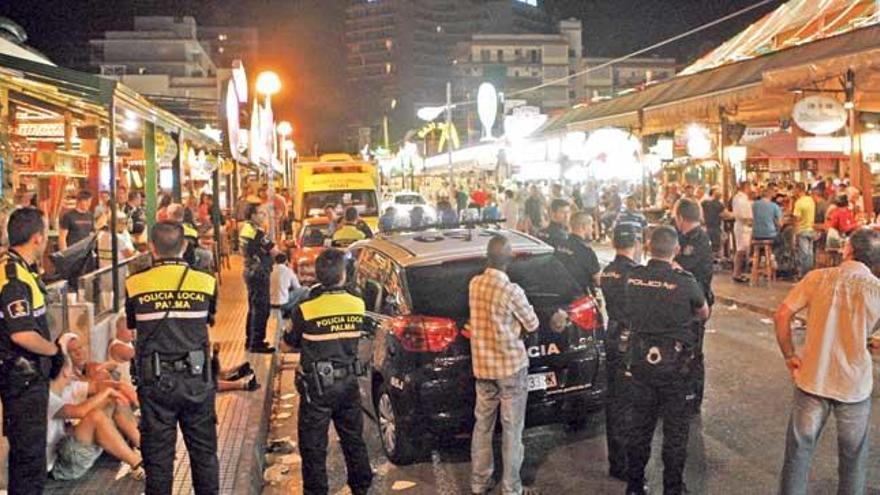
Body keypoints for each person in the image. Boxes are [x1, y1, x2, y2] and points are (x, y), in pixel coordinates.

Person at [774, 229, 880, 494]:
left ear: (847, 250)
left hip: (813, 378)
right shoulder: (877, 291)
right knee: (853, 459)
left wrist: (790, 355)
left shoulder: (817, 278)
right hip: (854, 386)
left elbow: (782, 315)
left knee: (798, 454)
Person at [125, 221, 220, 494]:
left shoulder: (135, 284)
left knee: (158, 461)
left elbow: (133, 325)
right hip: (197, 381)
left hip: (154, 383)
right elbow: (209, 319)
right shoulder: (206, 282)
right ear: (185, 246)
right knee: (204, 456)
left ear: (151, 247)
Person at [623, 226, 710, 495]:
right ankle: (672, 488)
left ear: (648, 248)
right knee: (675, 431)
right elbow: (703, 313)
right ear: (675, 250)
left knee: (639, 427)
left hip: (640, 363)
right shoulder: (685, 281)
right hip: (675, 367)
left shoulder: (633, 278)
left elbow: (625, 310)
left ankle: (635, 485)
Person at [282, 249, 373, 495]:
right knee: (354, 439)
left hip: (317, 389)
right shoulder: (358, 304)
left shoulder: (306, 308)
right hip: (349, 384)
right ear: (344, 274)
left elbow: (286, 343)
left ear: (319, 275)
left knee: (313, 447)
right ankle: (361, 487)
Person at [468, 235, 540, 495]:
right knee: (512, 429)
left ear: (488, 257)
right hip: (510, 369)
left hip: (483, 368)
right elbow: (532, 323)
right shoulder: (511, 291)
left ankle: (479, 482)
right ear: (509, 260)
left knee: (482, 426)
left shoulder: (475, 284)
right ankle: (511, 488)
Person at [0, 208, 65, 494]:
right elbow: (22, 333)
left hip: (23, 376)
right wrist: (53, 350)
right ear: (37, 238)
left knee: (25, 456)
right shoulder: (14, 277)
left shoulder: (17, 268)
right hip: (21, 377)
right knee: (29, 459)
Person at [46, 354, 144, 481]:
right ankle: (138, 463)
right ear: (65, 371)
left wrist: (116, 388)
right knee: (95, 416)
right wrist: (107, 391)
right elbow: (79, 412)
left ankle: (144, 447)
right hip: (59, 465)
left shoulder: (67, 388)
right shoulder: (46, 397)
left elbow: (99, 386)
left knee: (111, 401)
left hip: (68, 448)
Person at [599, 223, 642, 481]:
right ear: (634, 243)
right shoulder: (635, 274)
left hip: (612, 334)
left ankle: (616, 461)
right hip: (631, 338)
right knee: (631, 404)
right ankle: (628, 464)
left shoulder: (608, 272)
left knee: (614, 401)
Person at [673, 198, 715, 415]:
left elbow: (682, 269)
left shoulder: (698, 239)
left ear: (681, 217)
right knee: (680, 351)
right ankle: (680, 394)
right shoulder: (683, 236)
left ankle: (692, 398)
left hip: (696, 304)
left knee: (693, 353)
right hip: (682, 303)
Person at [241, 205, 276, 353]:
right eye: (261, 214)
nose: (264, 216)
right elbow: (273, 250)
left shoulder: (245, 229)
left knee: (253, 308)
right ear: (253, 215)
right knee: (262, 309)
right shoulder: (257, 233)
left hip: (250, 270)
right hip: (259, 272)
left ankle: (250, 341)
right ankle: (257, 343)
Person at [557, 211, 601, 295]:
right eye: (591, 226)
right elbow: (598, 279)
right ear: (584, 227)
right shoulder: (586, 251)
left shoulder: (560, 245)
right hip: (580, 297)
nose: (592, 229)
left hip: (561, 293)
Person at [271, 253, 308, 320]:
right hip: (283, 304)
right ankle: (296, 312)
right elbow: (297, 287)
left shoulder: (269, 270)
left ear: (275, 261)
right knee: (305, 289)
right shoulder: (288, 271)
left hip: (270, 302)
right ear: (286, 261)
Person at [792, 183, 816, 278]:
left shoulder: (799, 203)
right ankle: (809, 274)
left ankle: (803, 275)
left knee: (803, 254)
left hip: (802, 230)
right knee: (809, 254)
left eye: (795, 189)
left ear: (798, 189)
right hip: (811, 229)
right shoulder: (810, 200)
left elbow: (796, 219)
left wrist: (794, 233)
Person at [731, 181, 753, 283]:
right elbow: (743, 216)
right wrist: (750, 222)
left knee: (742, 250)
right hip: (743, 227)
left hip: (742, 226)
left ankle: (738, 273)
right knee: (741, 251)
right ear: (746, 187)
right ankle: (737, 273)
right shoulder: (741, 199)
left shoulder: (739, 198)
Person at [701, 187, 724, 256]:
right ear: (714, 193)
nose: (720, 193)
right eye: (718, 191)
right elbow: (725, 214)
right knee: (715, 248)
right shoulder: (718, 204)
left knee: (707, 247)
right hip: (715, 228)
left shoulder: (704, 202)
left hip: (706, 227)